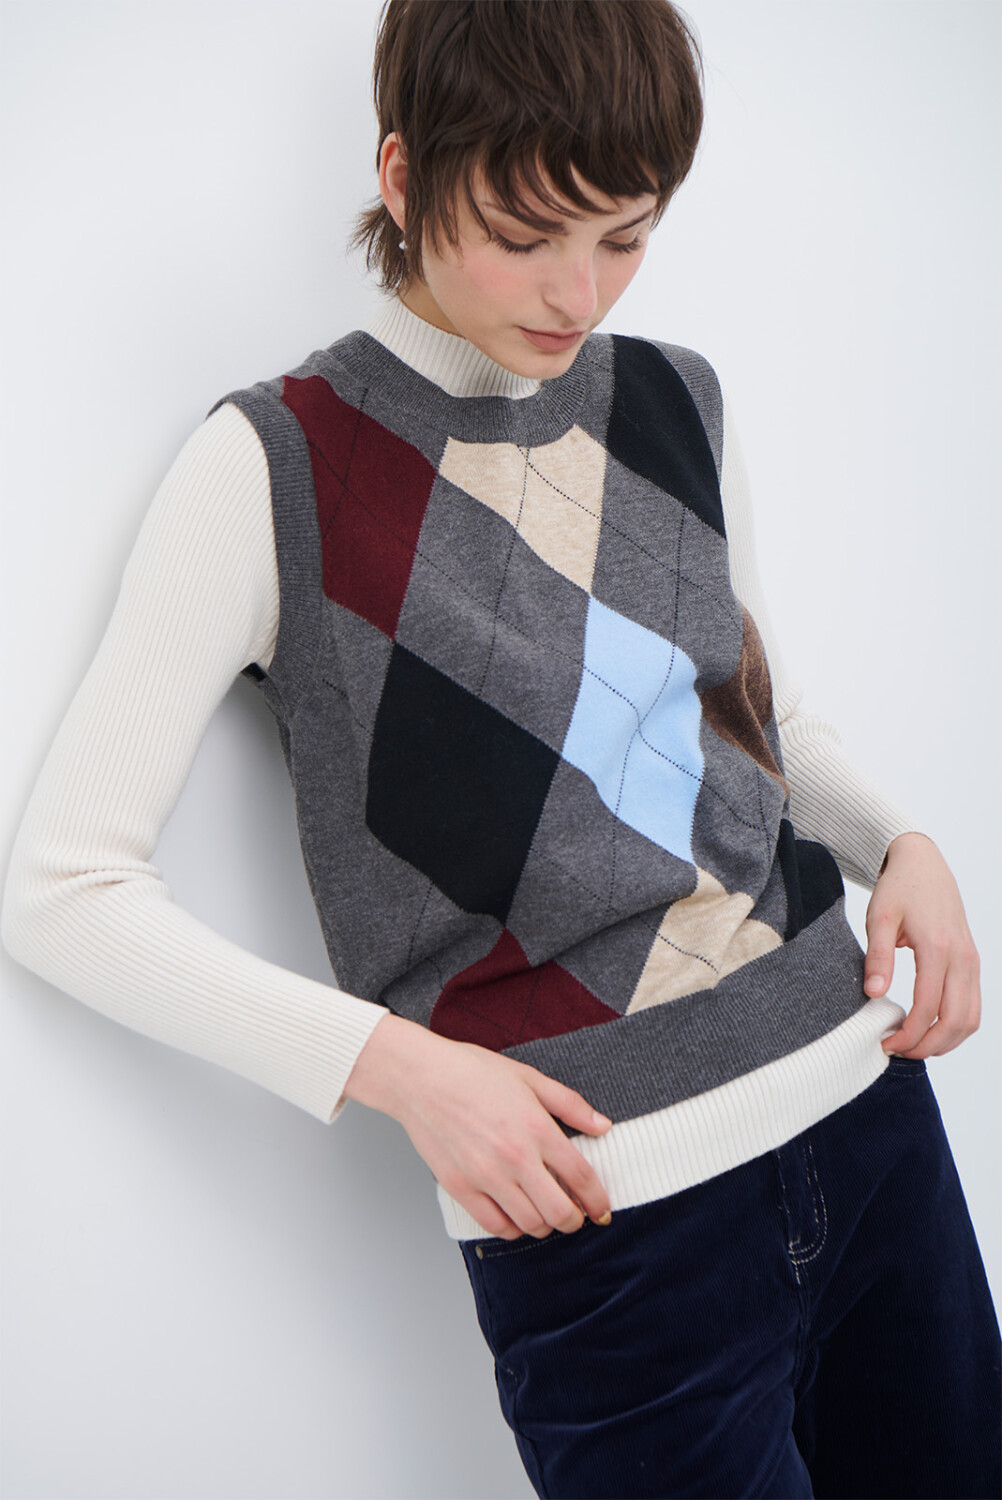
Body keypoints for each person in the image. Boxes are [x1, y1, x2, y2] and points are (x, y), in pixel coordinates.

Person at [3, 2, 999, 1496]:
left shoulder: (674, 398)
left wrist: (898, 840)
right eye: (527, 235)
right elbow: (61, 888)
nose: (576, 291)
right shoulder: (275, 465)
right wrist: (402, 1072)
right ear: (402, 177)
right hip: (612, 1231)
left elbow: (756, 713)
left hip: (869, 1122)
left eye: (625, 237)